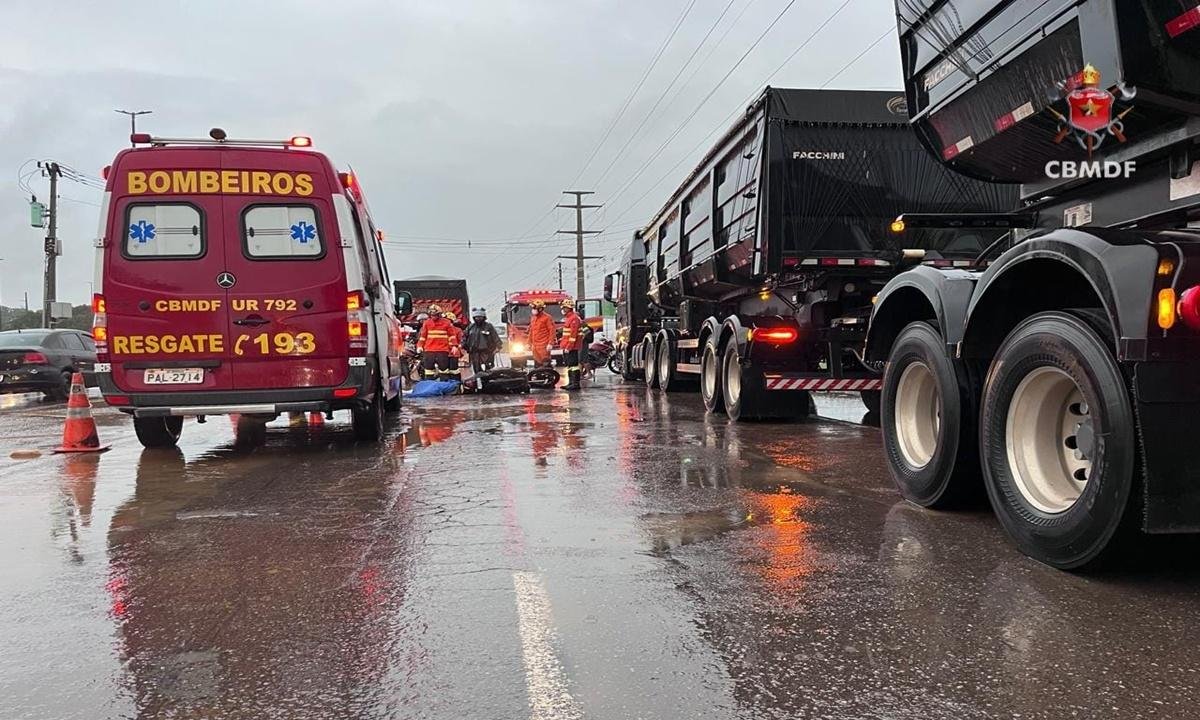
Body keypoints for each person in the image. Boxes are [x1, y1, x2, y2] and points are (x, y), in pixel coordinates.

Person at [416, 304, 459, 381]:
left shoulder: (447, 322)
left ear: (439, 314)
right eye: (432, 315)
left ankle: (444, 387)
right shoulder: (427, 323)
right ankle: (429, 387)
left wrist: (454, 346)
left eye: (435, 315)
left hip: (442, 350)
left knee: (443, 370)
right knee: (428, 370)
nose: (433, 317)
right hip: (429, 350)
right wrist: (420, 346)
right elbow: (423, 337)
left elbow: (452, 336)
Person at [464, 307, 502, 373]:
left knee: (489, 370)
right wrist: (464, 346)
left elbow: (495, 337)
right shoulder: (470, 327)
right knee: (477, 370)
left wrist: (498, 347)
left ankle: (489, 382)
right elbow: (464, 337)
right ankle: (478, 381)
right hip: (474, 353)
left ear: (484, 317)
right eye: (476, 317)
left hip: (487, 352)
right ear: (474, 318)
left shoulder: (489, 326)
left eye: (480, 317)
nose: (478, 319)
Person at [559, 298, 584, 391]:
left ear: (569, 308)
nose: (563, 310)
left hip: (572, 346)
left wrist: (569, 347)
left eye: (564, 308)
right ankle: (571, 383)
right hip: (567, 345)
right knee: (570, 365)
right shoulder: (569, 318)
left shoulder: (574, 319)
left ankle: (575, 383)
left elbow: (573, 335)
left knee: (574, 365)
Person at [528, 299, 557, 368]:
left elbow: (552, 331)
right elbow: (531, 331)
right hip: (535, 346)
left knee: (546, 364)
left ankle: (548, 376)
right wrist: (529, 342)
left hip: (544, 345)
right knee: (537, 364)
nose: (533, 310)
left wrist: (550, 343)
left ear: (540, 309)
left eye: (534, 308)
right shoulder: (533, 318)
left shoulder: (547, 318)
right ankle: (538, 377)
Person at [445, 311, 464, 379]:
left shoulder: (458, 330)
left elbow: (461, 341)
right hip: (443, 353)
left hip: (453, 354)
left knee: (454, 370)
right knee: (444, 371)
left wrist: (457, 348)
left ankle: (456, 383)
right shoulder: (441, 330)